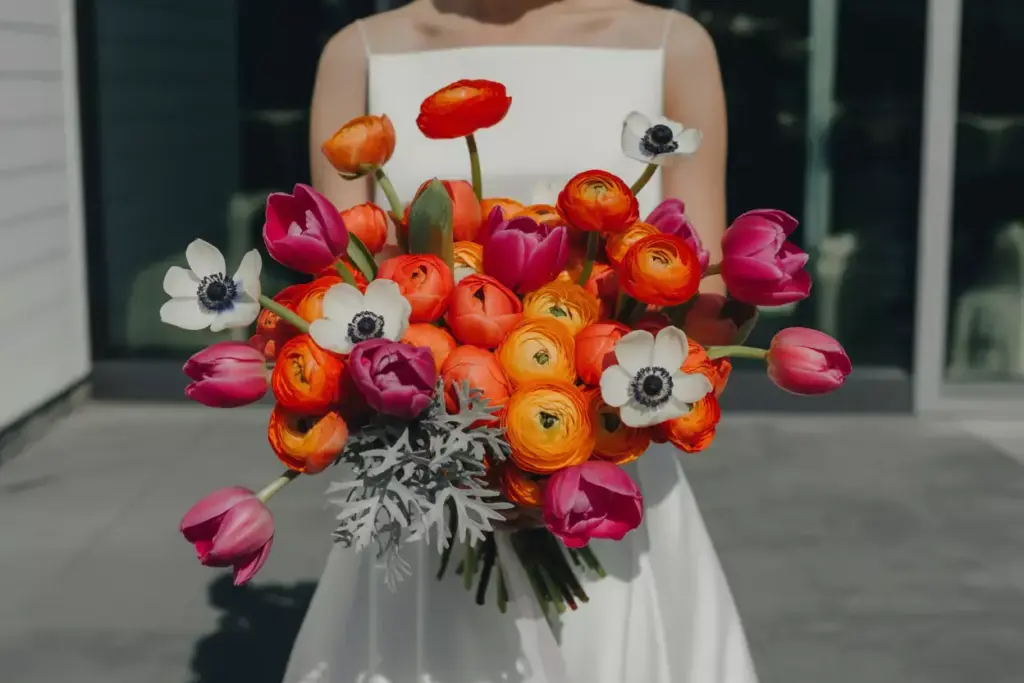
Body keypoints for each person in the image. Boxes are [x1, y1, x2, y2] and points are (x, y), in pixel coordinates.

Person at [284, 1, 756, 681]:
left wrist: (565, 447)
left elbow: (693, 282)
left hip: (608, 463)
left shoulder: (671, 45)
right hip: (431, 474)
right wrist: (468, 457)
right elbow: (340, 291)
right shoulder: (358, 53)